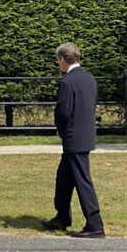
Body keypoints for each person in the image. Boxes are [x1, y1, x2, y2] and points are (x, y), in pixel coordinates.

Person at [42, 42, 106, 238]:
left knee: (82, 180)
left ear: (62, 59)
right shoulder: (89, 79)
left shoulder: (67, 82)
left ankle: (95, 224)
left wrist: (60, 129)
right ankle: (62, 217)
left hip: (72, 136)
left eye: (58, 61)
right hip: (85, 134)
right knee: (64, 178)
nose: (58, 64)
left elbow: (63, 111)